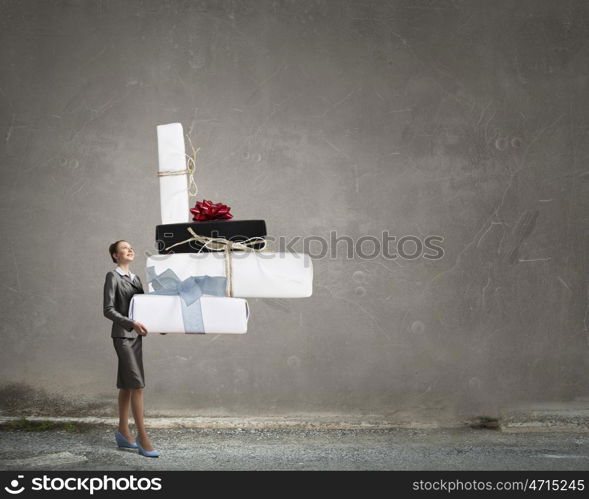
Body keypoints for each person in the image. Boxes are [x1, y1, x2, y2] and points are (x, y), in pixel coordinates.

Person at [103, 240, 160, 458]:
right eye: (124, 248)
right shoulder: (113, 276)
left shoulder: (136, 279)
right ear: (115, 256)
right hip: (123, 336)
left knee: (127, 385)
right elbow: (108, 309)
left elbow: (145, 308)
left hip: (136, 337)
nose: (130, 249)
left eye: (131, 247)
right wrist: (131, 323)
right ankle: (142, 437)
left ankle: (122, 431)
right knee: (137, 385)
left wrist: (160, 325)